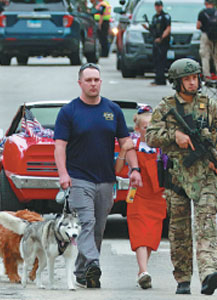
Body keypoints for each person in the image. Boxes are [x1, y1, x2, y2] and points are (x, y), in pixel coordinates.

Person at [146, 58, 217, 296]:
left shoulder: (210, 106)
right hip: (178, 178)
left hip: (206, 177)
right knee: (179, 231)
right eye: (187, 79)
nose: (192, 83)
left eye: (195, 78)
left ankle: (209, 273)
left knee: (206, 225)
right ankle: (183, 278)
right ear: (177, 82)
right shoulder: (166, 106)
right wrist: (175, 136)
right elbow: (150, 136)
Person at [54, 63, 142, 289]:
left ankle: (84, 273)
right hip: (79, 178)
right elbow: (60, 146)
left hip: (106, 180)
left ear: (100, 82)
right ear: (80, 83)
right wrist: (63, 174)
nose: (93, 84)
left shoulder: (112, 110)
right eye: (89, 80)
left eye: (96, 80)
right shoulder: (69, 112)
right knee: (86, 222)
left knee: (98, 229)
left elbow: (126, 143)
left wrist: (135, 169)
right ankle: (94, 262)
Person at [115, 106, 166, 290]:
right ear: (138, 129)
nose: (150, 131)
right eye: (146, 127)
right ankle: (143, 270)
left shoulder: (162, 149)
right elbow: (118, 169)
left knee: (152, 236)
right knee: (140, 234)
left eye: (153, 127)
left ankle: (142, 272)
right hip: (138, 196)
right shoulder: (133, 147)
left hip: (158, 197)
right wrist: (122, 151)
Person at [142, 0, 171, 86]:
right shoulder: (155, 17)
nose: (158, 8)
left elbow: (168, 28)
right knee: (156, 60)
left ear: (162, 6)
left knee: (161, 60)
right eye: (156, 6)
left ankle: (161, 79)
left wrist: (161, 38)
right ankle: (157, 78)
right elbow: (153, 29)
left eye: (159, 6)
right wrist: (147, 28)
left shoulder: (165, 16)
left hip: (163, 42)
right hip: (155, 41)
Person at [197, 0, 217, 80]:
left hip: (206, 36)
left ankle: (207, 75)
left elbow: (198, 26)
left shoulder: (202, 13)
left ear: (205, 4)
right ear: (213, 4)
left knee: (205, 55)